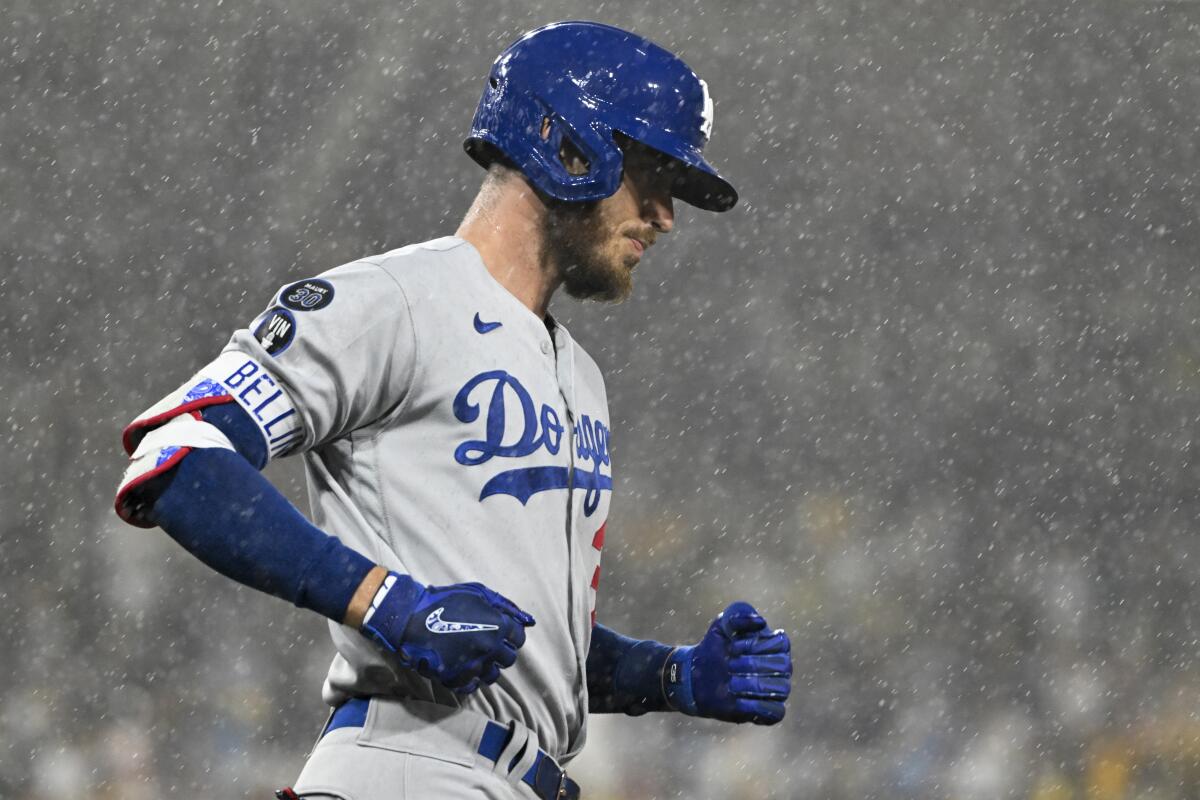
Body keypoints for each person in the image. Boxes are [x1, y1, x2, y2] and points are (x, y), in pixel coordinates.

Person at [114, 21, 792, 800]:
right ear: (571, 148)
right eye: (653, 174)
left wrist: (667, 675)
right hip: (405, 764)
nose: (667, 214)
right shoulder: (393, 302)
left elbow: (514, 642)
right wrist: (380, 600)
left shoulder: (582, 374)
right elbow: (177, 453)